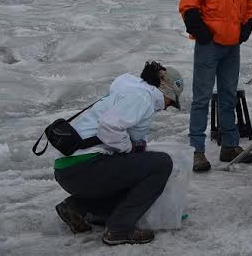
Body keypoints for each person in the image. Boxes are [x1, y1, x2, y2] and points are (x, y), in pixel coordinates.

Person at [53, 62, 184, 246]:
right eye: (171, 102)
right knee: (162, 164)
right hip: (84, 168)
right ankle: (119, 229)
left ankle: (76, 207)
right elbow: (110, 127)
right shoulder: (142, 98)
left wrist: (132, 150)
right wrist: (130, 148)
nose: (166, 107)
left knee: (137, 171)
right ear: (165, 92)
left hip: (69, 170)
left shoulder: (130, 91)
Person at [179, 0, 252, 172]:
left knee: (228, 96)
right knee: (201, 99)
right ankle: (197, 151)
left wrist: (244, 30)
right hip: (209, 45)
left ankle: (229, 146)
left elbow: (251, 5)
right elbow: (188, 5)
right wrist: (203, 34)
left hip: (232, 46)